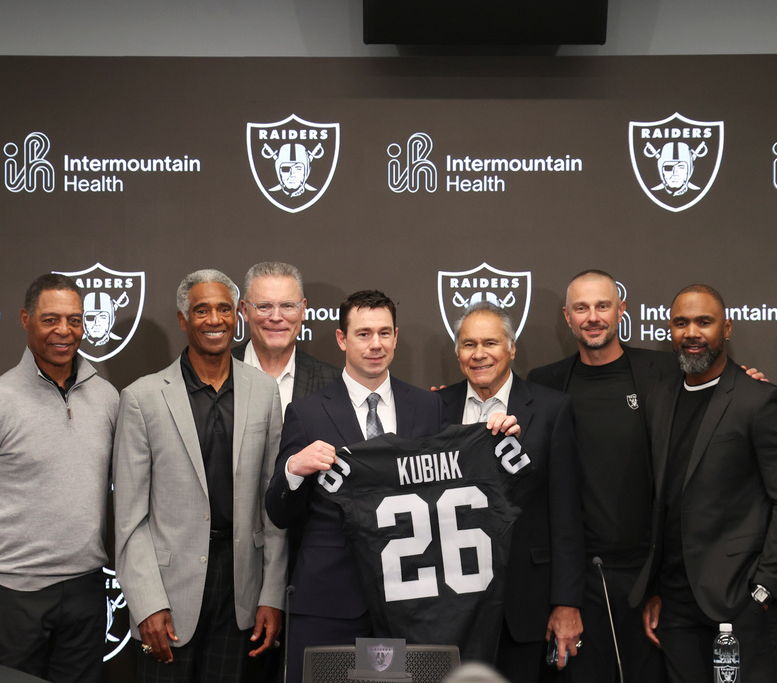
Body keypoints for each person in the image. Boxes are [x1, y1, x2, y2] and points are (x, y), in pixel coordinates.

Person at [0, 273, 119, 683]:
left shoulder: (107, 397)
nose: (64, 331)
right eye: (50, 319)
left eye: (74, 319)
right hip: (14, 598)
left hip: (86, 590)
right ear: (25, 320)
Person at [113, 269, 287, 683]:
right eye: (202, 310)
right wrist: (147, 602)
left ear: (237, 316)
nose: (214, 320)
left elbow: (274, 502)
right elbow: (130, 518)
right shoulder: (142, 398)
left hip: (242, 589)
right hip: (169, 593)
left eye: (224, 309)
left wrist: (272, 593)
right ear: (182, 319)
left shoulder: (265, 392)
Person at [632, 284, 777, 683]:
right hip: (676, 604)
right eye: (681, 323)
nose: (691, 332)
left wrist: (764, 590)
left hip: (742, 602)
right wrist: (657, 588)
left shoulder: (759, 400)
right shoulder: (659, 399)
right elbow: (662, 500)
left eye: (703, 322)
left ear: (726, 328)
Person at [265, 290, 447, 683]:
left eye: (384, 333)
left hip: (409, 603)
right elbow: (278, 512)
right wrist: (294, 470)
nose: (376, 344)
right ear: (342, 339)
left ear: (397, 337)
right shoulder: (307, 412)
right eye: (364, 334)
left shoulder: (428, 407)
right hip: (330, 603)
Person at [527, 269, 675, 683]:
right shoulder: (546, 382)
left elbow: (721, 391)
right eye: (582, 308)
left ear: (621, 310)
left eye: (603, 306)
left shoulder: (664, 371)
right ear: (568, 317)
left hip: (651, 578)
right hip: (581, 580)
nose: (593, 317)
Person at [438, 302, 584, 682]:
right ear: (457, 353)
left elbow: (566, 513)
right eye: (468, 344)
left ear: (512, 348)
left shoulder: (552, 409)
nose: (479, 354)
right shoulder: (435, 407)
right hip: (453, 605)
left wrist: (566, 602)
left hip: (526, 602)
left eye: (491, 342)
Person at [232, 261, 338, 418]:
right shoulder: (217, 373)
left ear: (302, 310)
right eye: (264, 306)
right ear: (245, 310)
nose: (276, 317)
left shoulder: (333, 382)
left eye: (287, 306)